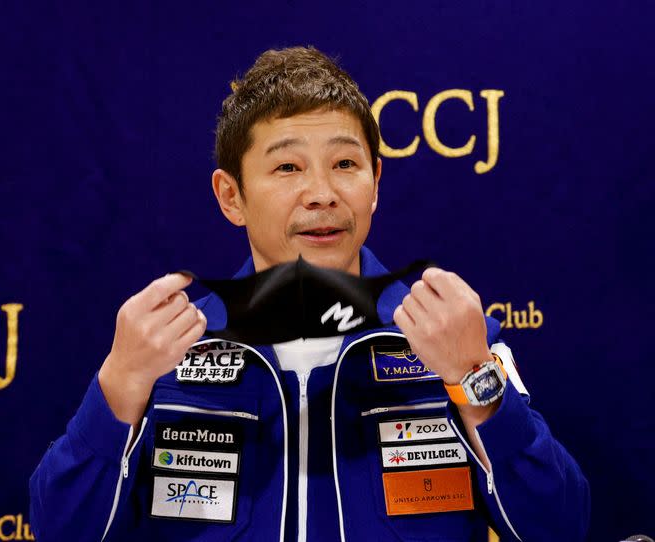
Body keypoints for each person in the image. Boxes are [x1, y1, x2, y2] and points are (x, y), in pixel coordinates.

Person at [29, 46, 590, 541]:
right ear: (231, 196)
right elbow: (63, 528)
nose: (321, 193)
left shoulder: (450, 333)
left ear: (375, 183)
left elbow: (558, 526)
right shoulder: (166, 352)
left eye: (345, 164)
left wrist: (473, 377)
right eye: (288, 167)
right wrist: (121, 383)